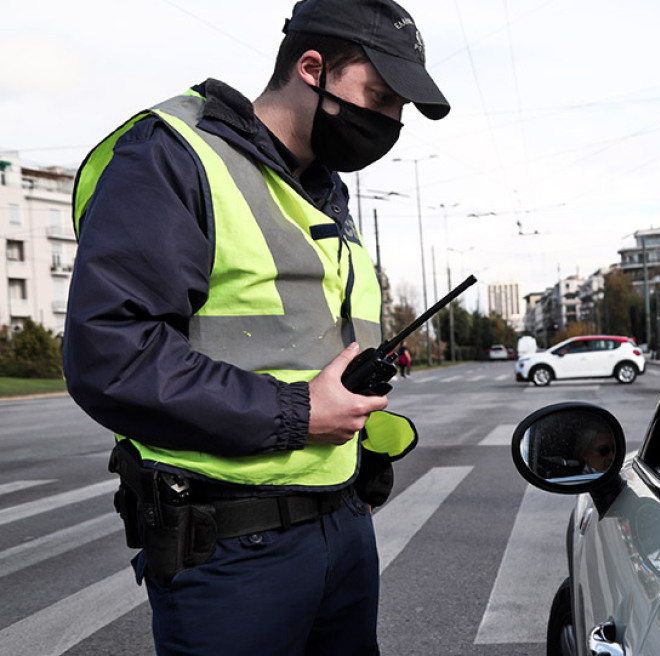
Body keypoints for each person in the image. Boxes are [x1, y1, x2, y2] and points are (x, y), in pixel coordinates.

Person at [63, 0, 448, 653]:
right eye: (378, 96)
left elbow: (304, 347)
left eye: (399, 110)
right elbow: (111, 354)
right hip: (230, 547)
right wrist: (299, 412)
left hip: (343, 525)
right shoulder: (176, 154)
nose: (389, 123)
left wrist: (362, 457)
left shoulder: (322, 190)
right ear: (311, 68)